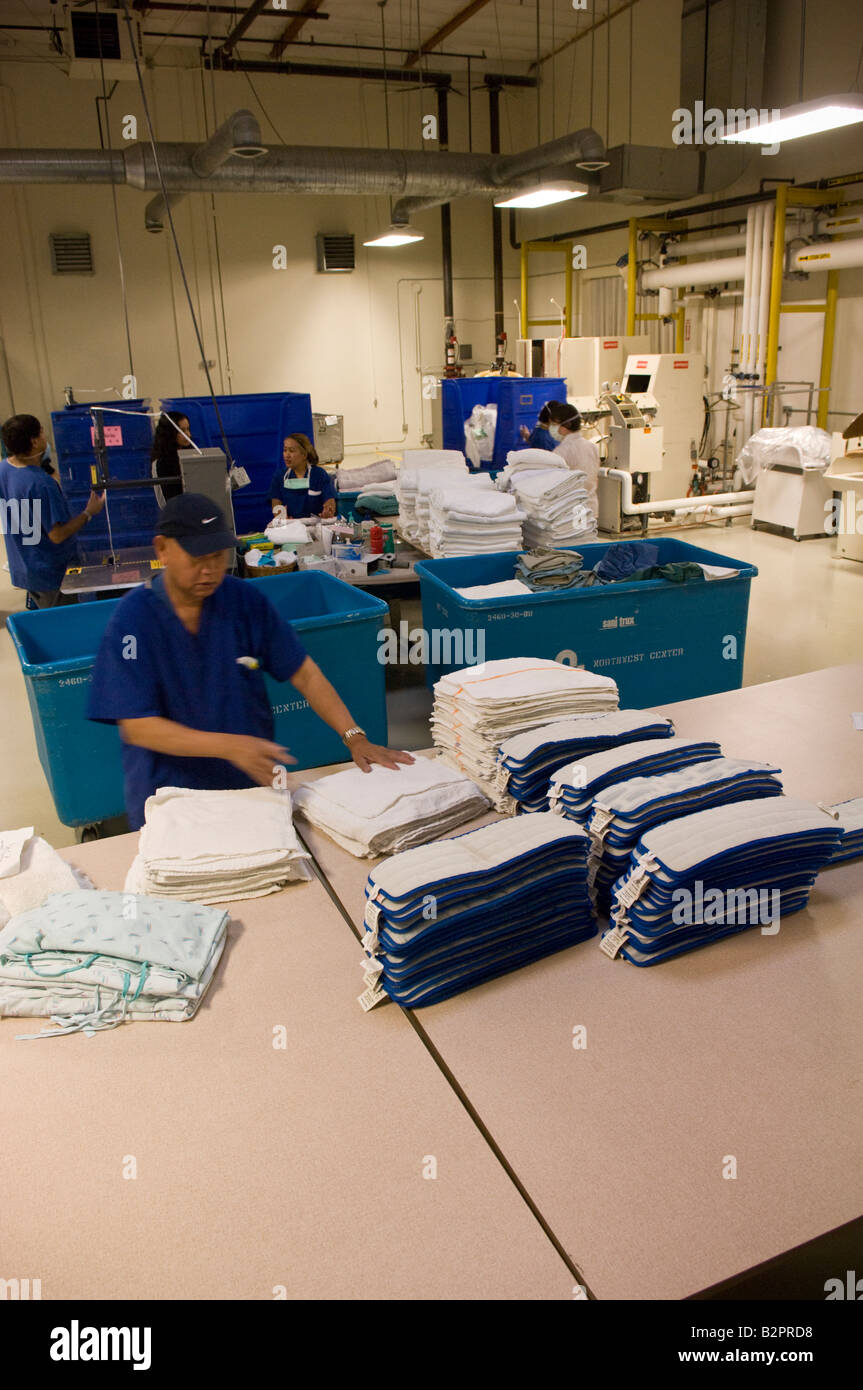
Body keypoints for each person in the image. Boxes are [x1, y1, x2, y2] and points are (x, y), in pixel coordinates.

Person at [87, 493, 414, 830]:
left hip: (248, 787)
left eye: (217, 556)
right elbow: (138, 726)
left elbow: (305, 674)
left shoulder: (242, 601)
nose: (209, 570)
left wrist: (354, 737)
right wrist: (229, 746)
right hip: (171, 801)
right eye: (196, 557)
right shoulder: (133, 622)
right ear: (162, 549)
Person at [0, 413, 105, 609]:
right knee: (61, 626)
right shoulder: (41, 484)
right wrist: (89, 512)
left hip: (24, 566)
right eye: (41, 432)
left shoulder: (3, 470)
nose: (45, 436)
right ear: (34, 441)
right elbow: (57, 535)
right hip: (50, 573)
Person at [546, 400, 600, 517]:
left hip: (572, 513)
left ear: (567, 425)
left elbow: (554, 486)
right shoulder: (592, 447)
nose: (552, 428)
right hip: (591, 508)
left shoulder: (561, 452)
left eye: (554, 424)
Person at [269, 434, 336, 521]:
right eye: (285, 450)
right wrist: (281, 517)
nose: (287, 455)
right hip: (291, 526)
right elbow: (276, 504)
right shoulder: (279, 476)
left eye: (291, 451)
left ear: (304, 455)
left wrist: (328, 512)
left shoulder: (319, 474)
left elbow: (330, 501)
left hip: (316, 525)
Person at [151, 411, 193, 507]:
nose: (188, 435)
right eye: (182, 431)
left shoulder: (191, 454)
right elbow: (168, 502)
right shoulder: (161, 463)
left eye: (188, 429)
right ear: (170, 433)